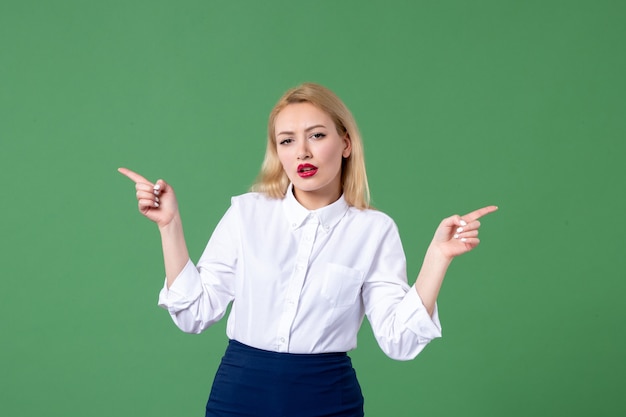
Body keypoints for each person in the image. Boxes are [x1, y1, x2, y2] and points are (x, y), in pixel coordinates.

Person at [118, 82, 497, 417]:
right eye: (287, 140)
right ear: (277, 152)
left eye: (316, 136)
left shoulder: (374, 230)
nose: (302, 152)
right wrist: (170, 226)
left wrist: (437, 258)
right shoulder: (246, 214)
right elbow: (194, 314)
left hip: (327, 398)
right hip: (240, 395)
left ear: (345, 143)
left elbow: (399, 341)